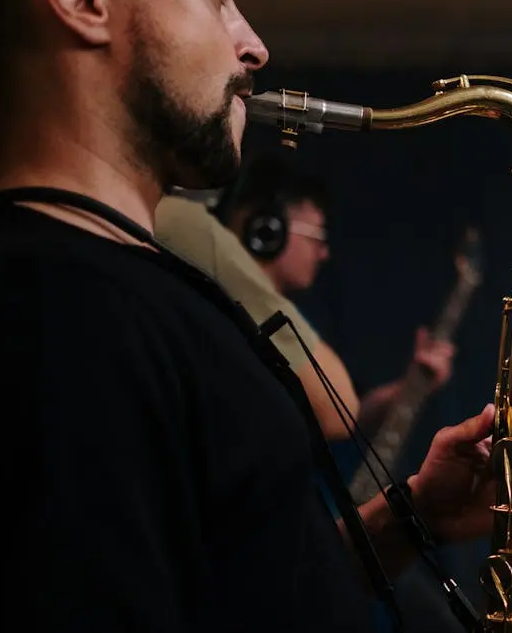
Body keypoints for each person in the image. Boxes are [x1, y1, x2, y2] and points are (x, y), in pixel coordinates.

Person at [0, 0, 512, 632]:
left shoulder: (97, 294)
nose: (254, 46)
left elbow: (248, 599)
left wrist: (414, 515)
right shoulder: (50, 314)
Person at [155, 153, 455, 443]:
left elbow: (339, 411)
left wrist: (407, 388)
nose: (324, 253)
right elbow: (340, 414)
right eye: (318, 236)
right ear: (267, 228)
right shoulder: (212, 310)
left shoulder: (294, 322)